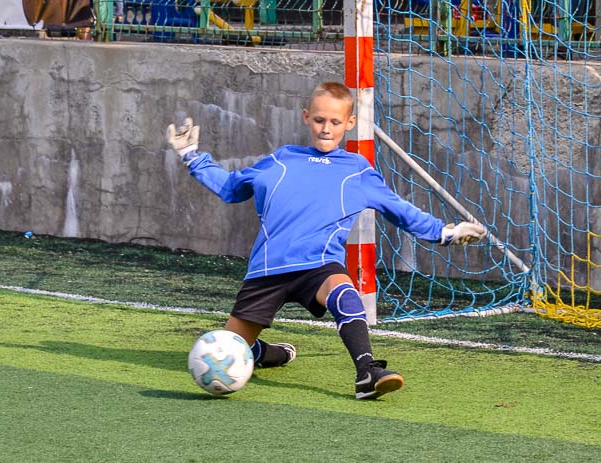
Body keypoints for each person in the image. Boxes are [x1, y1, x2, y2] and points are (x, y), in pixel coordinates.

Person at [166, 81, 486, 400]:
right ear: (306, 116)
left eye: (335, 122)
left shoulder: (357, 170)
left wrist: (443, 233)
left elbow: (398, 208)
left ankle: (367, 372)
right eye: (319, 120)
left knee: (345, 293)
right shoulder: (282, 159)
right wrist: (192, 157)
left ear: (349, 123)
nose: (326, 129)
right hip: (267, 271)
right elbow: (232, 188)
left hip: (318, 266)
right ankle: (263, 352)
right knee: (228, 349)